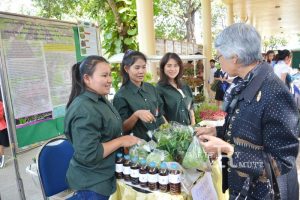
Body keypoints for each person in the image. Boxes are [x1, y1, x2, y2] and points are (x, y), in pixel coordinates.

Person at [195, 23, 299, 200]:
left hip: (263, 193)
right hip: (244, 188)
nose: (219, 61)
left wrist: (229, 149)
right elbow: (252, 133)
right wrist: (217, 132)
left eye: (219, 56)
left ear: (234, 57)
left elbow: (281, 164)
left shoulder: (274, 92)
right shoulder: (247, 83)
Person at [64, 56, 140, 200]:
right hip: (94, 184)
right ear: (87, 78)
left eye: (110, 74)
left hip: (109, 173)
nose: (110, 79)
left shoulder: (100, 99)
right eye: (104, 75)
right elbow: (90, 154)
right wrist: (122, 141)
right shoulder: (84, 108)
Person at [113, 50, 165, 141]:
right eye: (137, 68)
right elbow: (122, 128)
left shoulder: (151, 88)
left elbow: (160, 115)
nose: (141, 71)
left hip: (160, 141)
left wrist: (169, 131)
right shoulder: (121, 96)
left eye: (143, 67)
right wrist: (136, 115)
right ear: (126, 69)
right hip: (139, 146)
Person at [156, 52, 195, 126]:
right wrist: (170, 132)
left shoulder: (184, 86)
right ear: (163, 67)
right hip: (173, 134)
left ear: (180, 67)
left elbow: (191, 107)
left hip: (188, 130)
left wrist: (193, 125)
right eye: (169, 66)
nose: (172, 69)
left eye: (175, 66)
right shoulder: (159, 88)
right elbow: (160, 114)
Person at [0, 90, 8, 168]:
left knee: (1, 144)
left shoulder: (0, 104)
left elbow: (1, 115)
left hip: (1, 127)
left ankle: (2, 159)